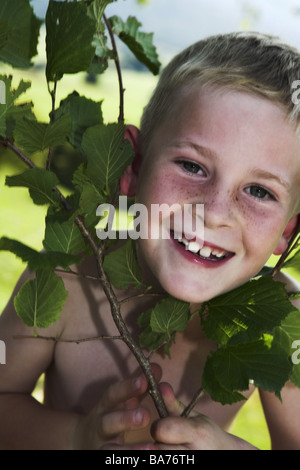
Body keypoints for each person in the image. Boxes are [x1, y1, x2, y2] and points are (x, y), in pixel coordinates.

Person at [1, 31, 300, 450]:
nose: (214, 212)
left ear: (287, 232)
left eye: (260, 192)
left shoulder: (282, 320)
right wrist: (76, 437)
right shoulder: (66, 273)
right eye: (192, 166)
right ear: (132, 167)